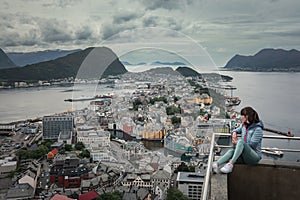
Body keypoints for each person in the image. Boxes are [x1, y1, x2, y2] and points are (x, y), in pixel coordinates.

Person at [212, 106, 264, 174]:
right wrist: (234, 133)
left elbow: (252, 146)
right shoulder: (244, 126)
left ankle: (230, 164)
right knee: (231, 151)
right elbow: (235, 130)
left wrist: (238, 143)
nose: (240, 117)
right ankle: (216, 164)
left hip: (254, 157)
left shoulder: (258, 130)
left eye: (242, 115)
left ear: (247, 117)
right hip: (245, 155)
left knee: (240, 141)